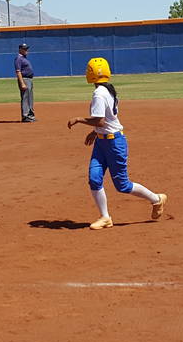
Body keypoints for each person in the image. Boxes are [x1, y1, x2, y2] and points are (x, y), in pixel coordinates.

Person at [67, 57, 167, 230]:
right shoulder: (108, 90)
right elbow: (108, 120)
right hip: (102, 143)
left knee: (122, 185)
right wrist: (95, 133)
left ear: (91, 74)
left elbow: (100, 120)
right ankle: (105, 217)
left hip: (114, 144)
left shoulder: (99, 93)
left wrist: (79, 119)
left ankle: (157, 199)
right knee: (94, 179)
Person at [15, 43, 36, 122]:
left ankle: (30, 115)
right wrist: (22, 83)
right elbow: (18, 72)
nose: (26, 50)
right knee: (25, 98)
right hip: (24, 79)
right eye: (24, 49)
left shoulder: (24, 58)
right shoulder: (18, 59)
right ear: (20, 50)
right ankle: (25, 116)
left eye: (26, 49)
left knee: (30, 98)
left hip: (29, 79)